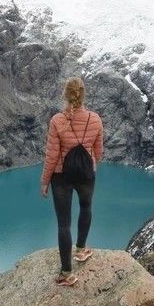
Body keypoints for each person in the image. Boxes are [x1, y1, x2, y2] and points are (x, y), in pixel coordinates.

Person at [40, 77, 104, 286]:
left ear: (65, 95)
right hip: (86, 174)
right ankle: (81, 250)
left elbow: (52, 155)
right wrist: (89, 165)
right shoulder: (95, 119)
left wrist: (45, 181)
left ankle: (66, 273)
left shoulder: (57, 120)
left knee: (63, 223)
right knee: (86, 207)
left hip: (61, 176)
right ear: (83, 94)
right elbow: (98, 151)